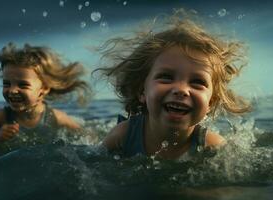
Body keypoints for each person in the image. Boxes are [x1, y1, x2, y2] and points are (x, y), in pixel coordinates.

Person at [96, 10, 251, 159]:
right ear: (141, 91)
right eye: (166, 77)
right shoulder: (122, 136)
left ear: (211, 102)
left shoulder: (212, 146)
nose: (181, 89)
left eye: (197, 82)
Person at [0, 43, 91, 143]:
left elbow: (88, 138)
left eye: (23, 85)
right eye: (7, 84)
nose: (12, 90)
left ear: (44, 88)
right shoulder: (1, 117)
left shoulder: (56, 117)